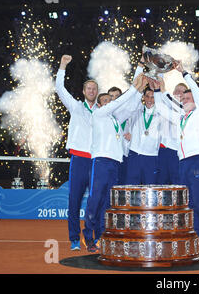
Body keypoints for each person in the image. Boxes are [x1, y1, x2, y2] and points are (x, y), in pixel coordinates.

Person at [151, 61, 199, 253]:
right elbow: (163, 109)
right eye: (184, 98)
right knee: (190, 202)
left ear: (195, 99)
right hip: (183, 162)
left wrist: (184, 74)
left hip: (197, 159)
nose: (186, 99)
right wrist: (158, 91)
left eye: (189, 97)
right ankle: (196, 238)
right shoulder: (181, 116)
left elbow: (197, 92)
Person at [83, 74, 146, 252]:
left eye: (111, 99)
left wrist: (139, 89)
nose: (110, 102)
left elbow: (132, 108)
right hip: (101, 161)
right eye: (106, 100)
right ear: (100, 104)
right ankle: (88, 237)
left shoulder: (115, 119)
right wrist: (134, 87)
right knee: (95, 200)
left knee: (107, 202)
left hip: (114, 163)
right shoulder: (98, 114)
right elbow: (119, 103)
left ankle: (102, 236)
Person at [56, 54, 98, 251]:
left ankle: (91, 237)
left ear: (97, 92)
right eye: (88, 88)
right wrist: (63, 66)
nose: (91, 90)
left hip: (97, 161)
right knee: (74, 200)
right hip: (79, 159)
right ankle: (74, 237)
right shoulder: (75, 107)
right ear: (83, 91)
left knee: (94, 202)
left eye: (94, 88)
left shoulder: (102, 111)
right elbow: (59, 89)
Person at [121, 85, 162, 185]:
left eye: (152, 97)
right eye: (147, 96)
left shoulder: (161, 114)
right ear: (143, 97)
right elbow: (131, 100)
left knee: (150, 188)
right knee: (130, 187)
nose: (149, 99)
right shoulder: (137, 110)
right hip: (135, 154)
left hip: (151, 156)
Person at [156, 82, 188, 185]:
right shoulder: (164, 107)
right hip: (162, 150)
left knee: (177, 182)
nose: (178, 92)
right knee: (161, 182)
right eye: (176, 90)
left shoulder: (185, 110)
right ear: (173, 92)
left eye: (182, 91)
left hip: (176, 151)